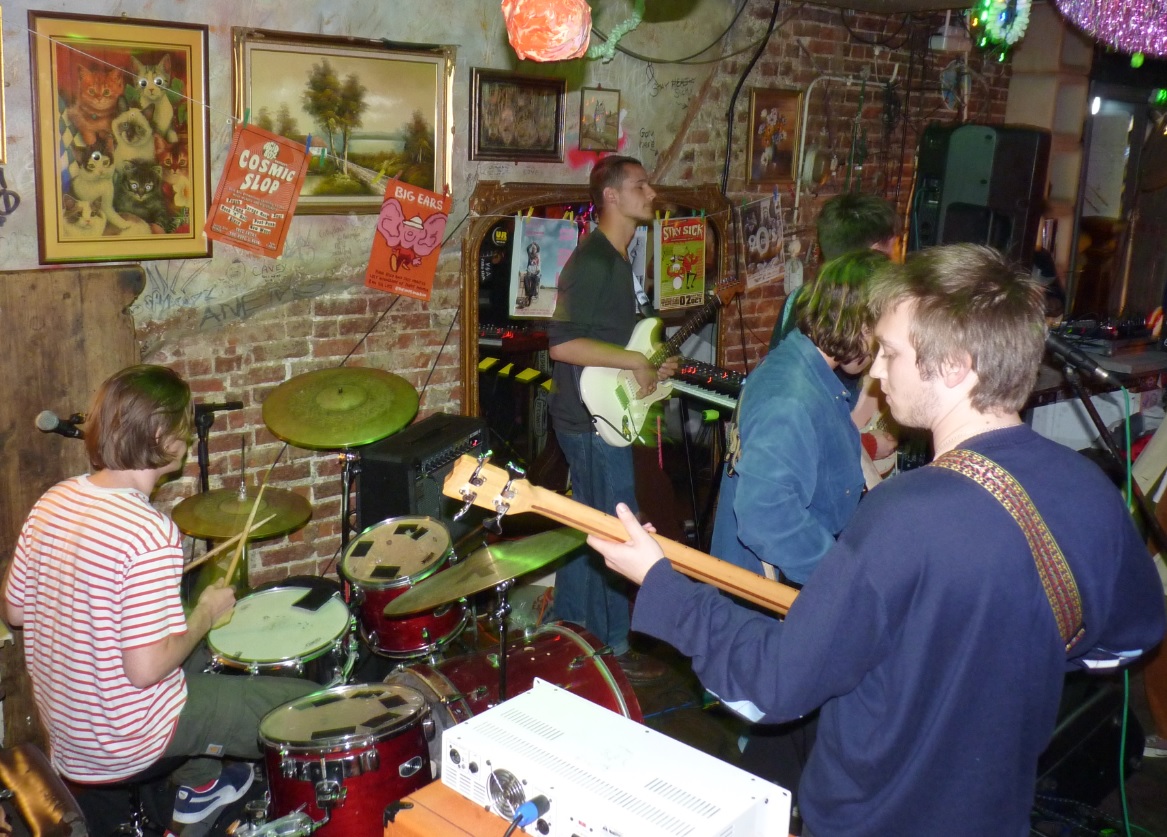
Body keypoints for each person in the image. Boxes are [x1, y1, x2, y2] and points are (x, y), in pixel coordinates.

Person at [589, 244, 1167, 837]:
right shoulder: (1086, 486)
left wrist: (662, 584)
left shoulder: (904, 518)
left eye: (891, 353)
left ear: (955, 366)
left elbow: (774, 685)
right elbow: (1133, 636)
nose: (877, 372)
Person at [2, 365, 317, 834]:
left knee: (200, 650)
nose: (187, 439)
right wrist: (206, 613)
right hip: (124, 741)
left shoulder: (54, 500)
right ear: (159, 435)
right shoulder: (149, 533)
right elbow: (145, 669)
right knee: (304, 705)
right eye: (182, 427)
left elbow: (14, 611)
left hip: (68, 733)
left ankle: (200, 787)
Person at [546, 155, 677, 681]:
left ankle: (568, 634)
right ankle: (614, 650)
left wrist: (651, 365)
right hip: (588, 420)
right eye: (641, 185)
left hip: (600, 413)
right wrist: (633, 361)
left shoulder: (620, 260)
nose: (652, 193)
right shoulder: (594, 263)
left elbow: (613, 345)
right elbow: (562, 346)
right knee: (617, 532)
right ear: (612, 197)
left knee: (592, 530)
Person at [711, 250, 884, 585]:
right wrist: (843, 576)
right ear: (860, 324)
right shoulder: (791, 399)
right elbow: (765, 516)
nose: (881, 356)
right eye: (882, 337)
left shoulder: (801, 369)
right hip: (770, 595)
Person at [768, 192, 897, 350]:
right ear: (875, 253)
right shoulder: (878, 309)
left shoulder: (797, 298)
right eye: (893, 247)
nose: (894, 257)